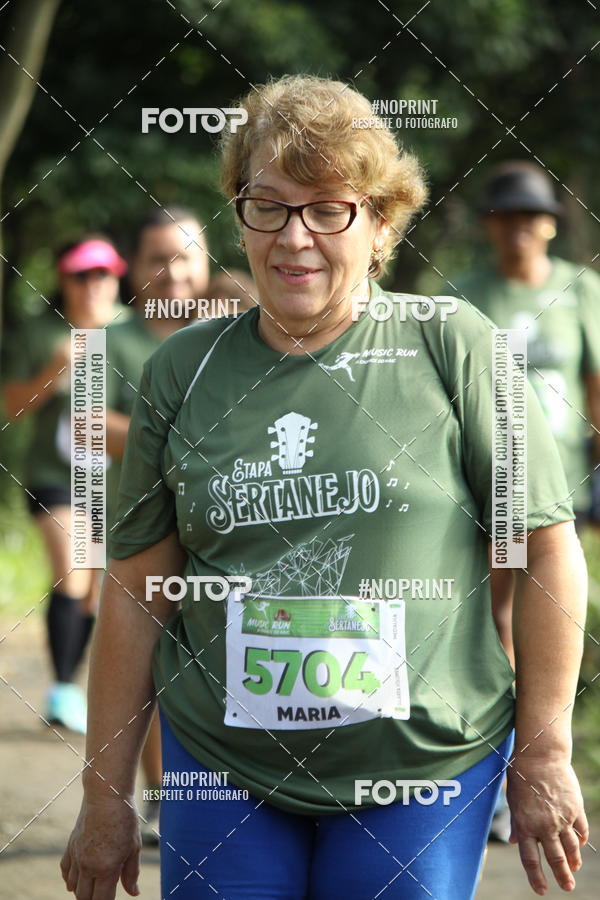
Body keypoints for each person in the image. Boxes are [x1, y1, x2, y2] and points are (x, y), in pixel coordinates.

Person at [62, 76, 588, 900]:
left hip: (420, 767)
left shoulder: (457, 344)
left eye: (329, 208)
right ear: (238, 214)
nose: (294, 237)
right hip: (222, 760)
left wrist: (544, 749)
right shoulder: (182, 369)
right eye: (267, 204)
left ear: (380, 224)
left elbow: (550, 553)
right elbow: (133, 591)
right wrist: (105, 795)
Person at [451, 164, 600, 842]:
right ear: (490, 226)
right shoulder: (467, 297)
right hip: (498, 485)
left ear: (549, 224)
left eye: (530, 216)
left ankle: (544, 758)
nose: (519, 228)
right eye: (506, 216)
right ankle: (503, 774)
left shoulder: (581, 290)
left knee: (558, 620)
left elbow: (596, 386)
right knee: (500, 623)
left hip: (566, 481)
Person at [105, 205, 210, 846]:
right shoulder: (104, 339)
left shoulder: (235, 338)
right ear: (135, 270)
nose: (173, 275)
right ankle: (159, 797)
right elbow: (89, 427)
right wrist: (186, 445)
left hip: (213, 539)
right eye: (158, 260)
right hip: (135, 538)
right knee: (146, 669)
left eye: (186, 258)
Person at [3, 236, 126, 733]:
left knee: (93, 591)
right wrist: (56, 367)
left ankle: (73, 688)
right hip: (54, 478)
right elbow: (11, 407)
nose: (93, 284)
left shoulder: (131, 334)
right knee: (74, 571)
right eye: (82, 275)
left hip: (111, 484)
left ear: (117, 278)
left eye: (103, 274)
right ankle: (61, 691)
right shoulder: (41, 332)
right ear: (64, 279)